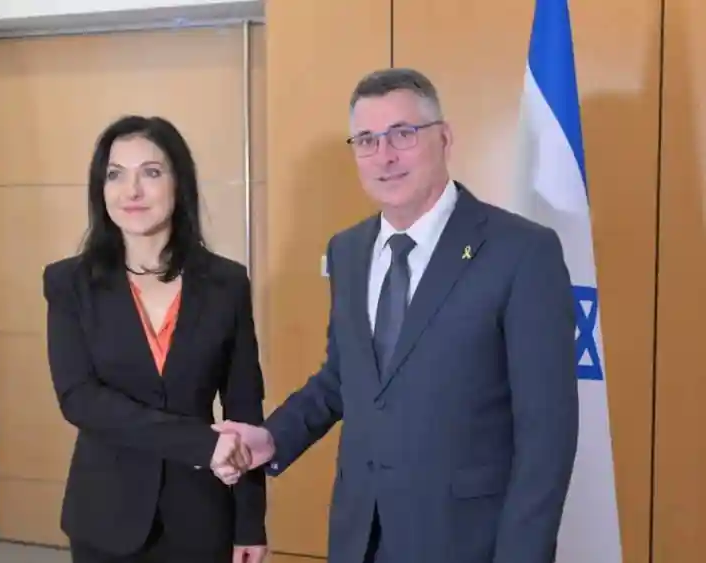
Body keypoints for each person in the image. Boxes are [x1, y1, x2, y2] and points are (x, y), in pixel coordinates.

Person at [213, 68, 579, 563]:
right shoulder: (348, 250)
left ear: (444, 138)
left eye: (403, 134)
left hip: (468, 542)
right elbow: (344, 379)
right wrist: (273, 437)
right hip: (360, 536)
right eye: (366, 140)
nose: (384, 156)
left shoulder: (520, 251)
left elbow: (547, 435)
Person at [42, 114, 268, 563]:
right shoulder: (70, 282)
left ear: (178, 183)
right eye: (115, 174)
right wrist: (202, 443)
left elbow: (245, 408)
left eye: (151, 172)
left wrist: (250, 523)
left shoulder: (226, 283)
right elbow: (79, 399)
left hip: (201, 517)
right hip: (105, 515)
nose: (132, 191)